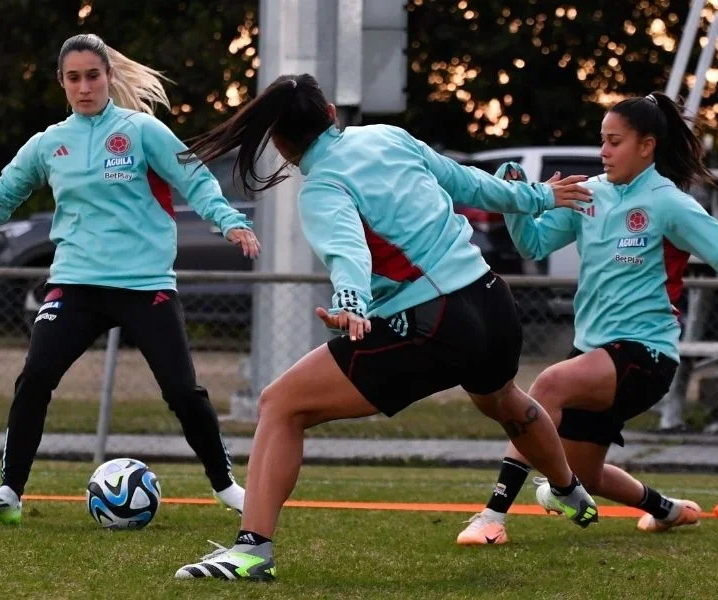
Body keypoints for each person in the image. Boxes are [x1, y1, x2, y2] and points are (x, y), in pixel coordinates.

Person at [171, 73, 600, 582]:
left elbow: (348, 253)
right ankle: (568, 489)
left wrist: (350, 303)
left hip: (436, 322)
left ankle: (250, 552)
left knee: (280, 404)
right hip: (493, 302)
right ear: (332, 113)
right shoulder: (387, 136)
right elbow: (468, 182)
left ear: (280, 144)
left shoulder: (323, 186)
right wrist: (539, 197)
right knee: (503, 399)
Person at [455, 92, 718, 546]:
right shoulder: (589, 195)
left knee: (547, 385)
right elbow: (533, 245)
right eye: (602, 141)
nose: (603, 151)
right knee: (585, 474)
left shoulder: (670, 204)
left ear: (647, 146)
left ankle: (492, 518)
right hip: (592, 353)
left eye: (615, 142)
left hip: (646, 355)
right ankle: (668, 510)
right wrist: (515, 202)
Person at [0, 34, 260, 525]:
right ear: (62, 82)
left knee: (182, 392)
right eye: (74, 78)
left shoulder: (141, 131)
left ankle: (227, 487)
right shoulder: (49, 144)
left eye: (93, 76)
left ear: (109, 77)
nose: (84, 87)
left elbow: (196, 179)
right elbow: (4, 192)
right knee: (35, 378)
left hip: (145, 285)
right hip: (75, 285)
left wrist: (230, 221)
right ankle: (9, 492)